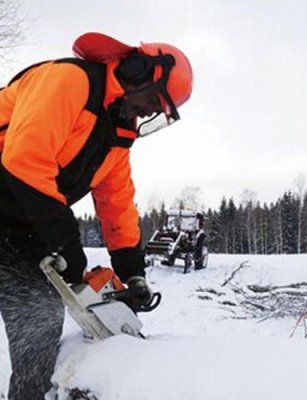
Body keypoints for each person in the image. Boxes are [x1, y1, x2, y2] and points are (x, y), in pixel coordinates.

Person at [0, 32, 193, 399]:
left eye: (157, 110)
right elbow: (24, 159)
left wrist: (131, 270)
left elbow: (116, 200)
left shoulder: (118, 133)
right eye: (153, 100)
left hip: (20, 219)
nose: (148, 112)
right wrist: (66, 242)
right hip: (12, 197)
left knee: (40, 317)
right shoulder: (70, 81)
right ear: (139, 71)